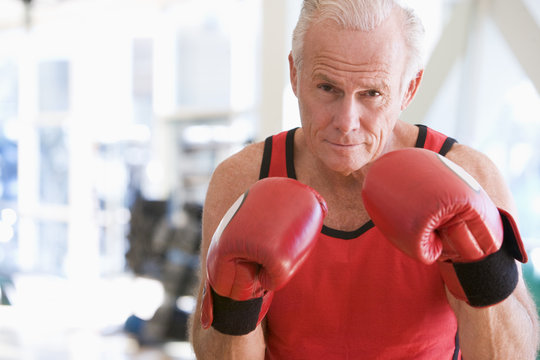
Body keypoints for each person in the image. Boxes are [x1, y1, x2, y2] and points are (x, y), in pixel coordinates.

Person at [189, 0, 539, 358]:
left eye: (371, 93)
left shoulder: (469, 174)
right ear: (295, 75)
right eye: (327, 88)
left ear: (409, 89)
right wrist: (236, 304)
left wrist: (483, 268)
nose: (346, 121)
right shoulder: (244, 179)